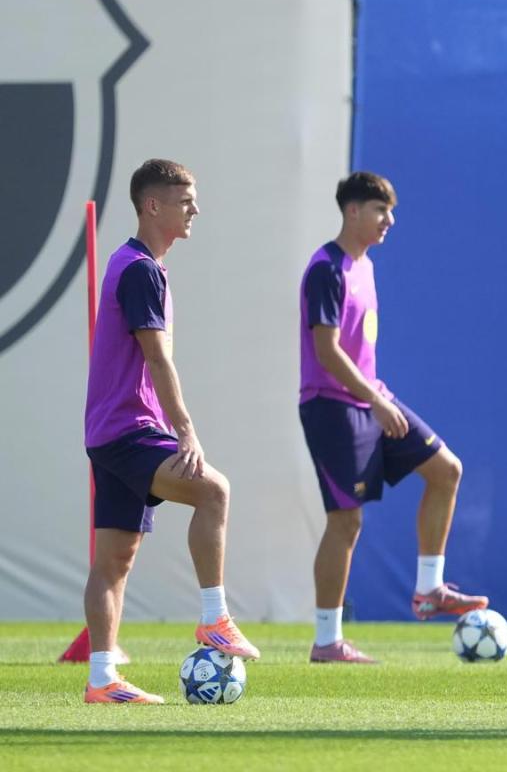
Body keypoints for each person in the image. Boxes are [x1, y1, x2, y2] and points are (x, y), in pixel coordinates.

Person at [83, 159, 260, 703]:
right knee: (214, 490)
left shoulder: (135, 264)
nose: (195, 210)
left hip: (108, 432)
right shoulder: (140, 269)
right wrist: (186, 432)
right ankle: (214, 618)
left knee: (115, 558)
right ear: (152, 205)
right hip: (129, 428)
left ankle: (101, 680)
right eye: (186, 200)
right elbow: (157, 360)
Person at [299, 171, 486, 664]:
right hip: (333, 405)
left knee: (447, 470)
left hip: (371, 398)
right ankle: (326, 642)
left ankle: (429, 589)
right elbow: (327, 350)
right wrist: (376, 402)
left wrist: (378, 399)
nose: (390, 221)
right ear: (353, 211)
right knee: (346, 521)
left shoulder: (367, 267)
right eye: (381, 210)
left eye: (391, 211)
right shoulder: (326, 267)